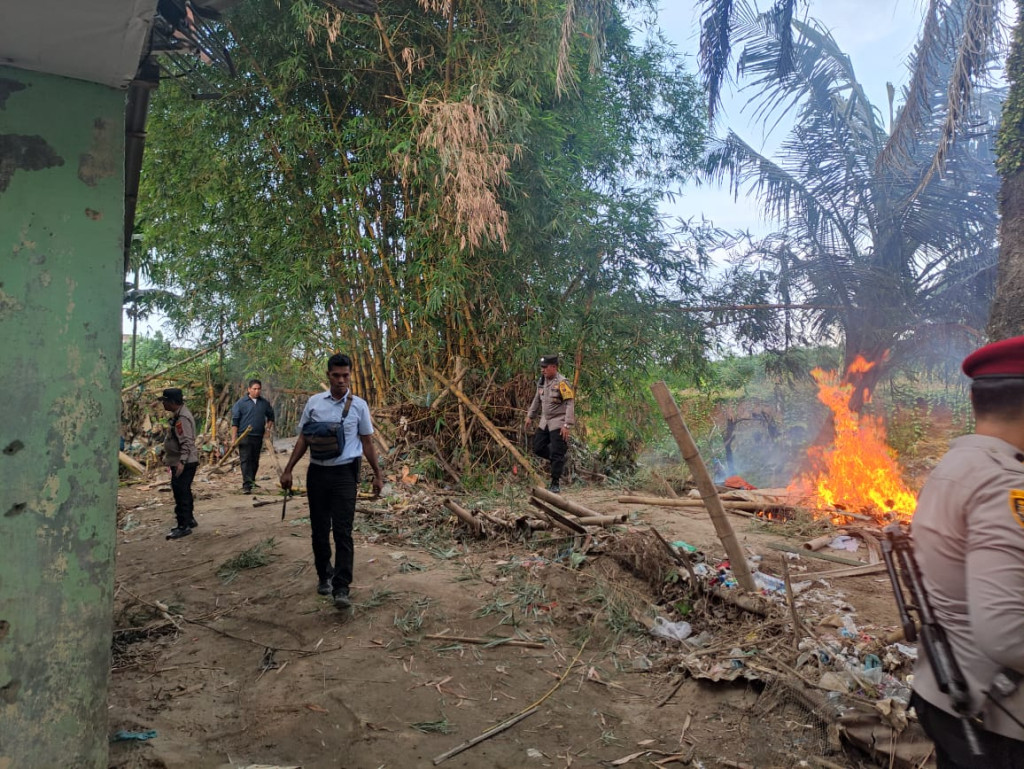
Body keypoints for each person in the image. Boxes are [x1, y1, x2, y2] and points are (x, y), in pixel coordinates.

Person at [910, 335, 1024, 768]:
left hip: (947, 693)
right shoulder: (1005, 484)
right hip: (999, 717)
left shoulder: (957, 465)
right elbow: (1007, 633)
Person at [280, 353, 384, 610]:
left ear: (350, 375)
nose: (341, 380)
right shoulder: (315, 403)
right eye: (336, 375)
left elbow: (367, 443)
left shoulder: (359, 405)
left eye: (345, 375)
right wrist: (288, 469)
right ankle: (323, 576)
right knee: (318, 530)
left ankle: (341, 587)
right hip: (317, 473)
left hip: (345, 475)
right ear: (328, 375)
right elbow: (303, 439)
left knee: (343, 531)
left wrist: (378, 475)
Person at [525, 354, 575, 493]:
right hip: (545, 421)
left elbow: (570, 403)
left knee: (558, 453)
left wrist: (567, 425)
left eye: (545, 367)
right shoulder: (542, 381)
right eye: (541, 367)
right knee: (538, 447)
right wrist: (530, 415)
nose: (543, 370)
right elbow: (537, 399)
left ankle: (555, 483)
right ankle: (557, 459)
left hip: (558, 421)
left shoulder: (562, 382)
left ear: (553, 367)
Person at [159, 388, 199, 540]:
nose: (163, 404)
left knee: (180, 492)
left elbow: (187, 441)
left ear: (172, 402)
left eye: (165, 401)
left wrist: (181, 461)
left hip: (185, 462)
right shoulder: (179, 415)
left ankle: (183, 526)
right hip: (183, 460)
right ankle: (189, 520)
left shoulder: (182, 418)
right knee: (184, 491)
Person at [231, 378, 275, 493]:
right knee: (245, 460)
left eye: (259, 389)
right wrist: (233, 439)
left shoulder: (264, 403)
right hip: (244, 436)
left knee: (255, 460)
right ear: (249, 389)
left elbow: (271, 417)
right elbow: (235, 422)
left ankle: (251, 482)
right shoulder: (240, 403)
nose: (257, 391)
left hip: (258, 436)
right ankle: (246, 485)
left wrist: (268, 430)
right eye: (254, 389)